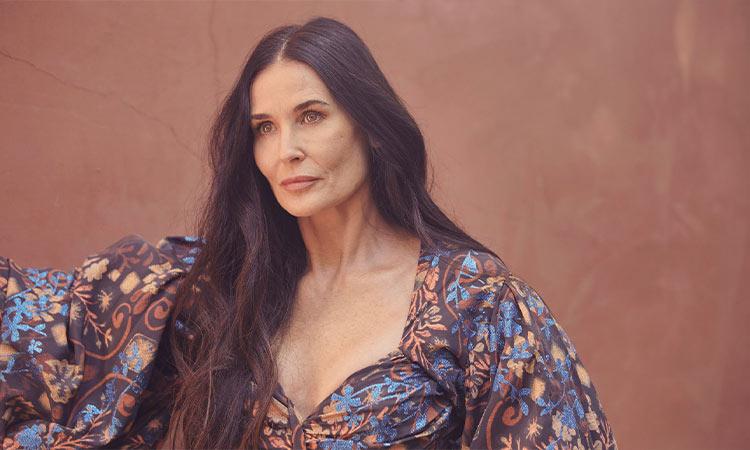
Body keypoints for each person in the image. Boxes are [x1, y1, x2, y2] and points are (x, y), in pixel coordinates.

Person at [0, 16, 618, 450]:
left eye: (312, 116)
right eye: (264, 128)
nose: (285, 151)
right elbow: (49, 327)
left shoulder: (475, 302)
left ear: (372, 128)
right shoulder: (224, 291)